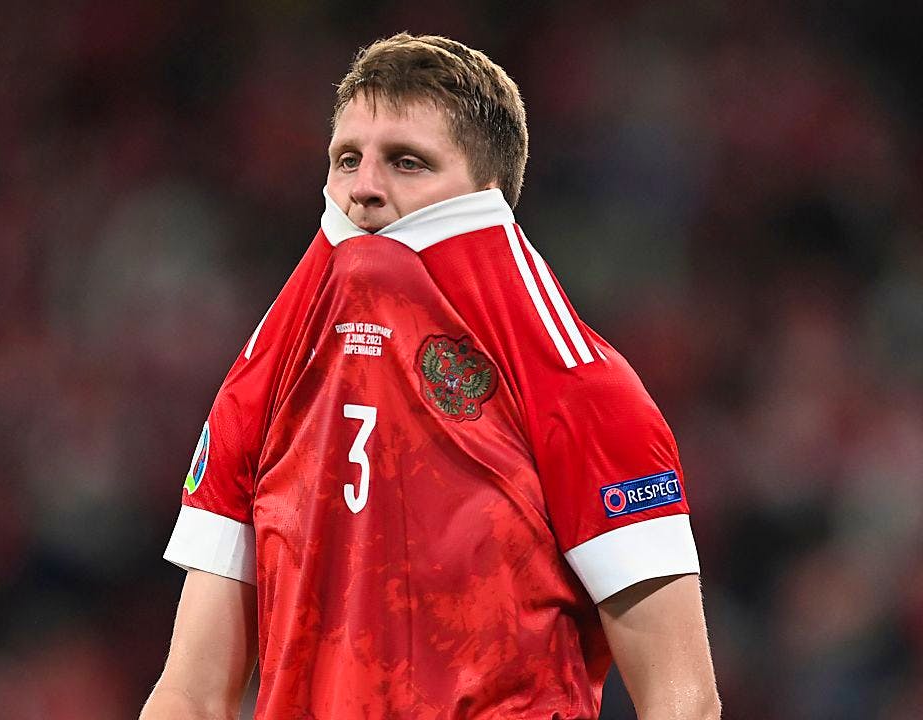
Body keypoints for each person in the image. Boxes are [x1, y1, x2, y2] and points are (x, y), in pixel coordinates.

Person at [140, 33, 720, 720]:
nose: (364, 190)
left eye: (407, 162)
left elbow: (683, 699)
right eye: (346, 160)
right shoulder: (258, 387)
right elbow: (191, 691)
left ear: (485, 192)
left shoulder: (583, 389)